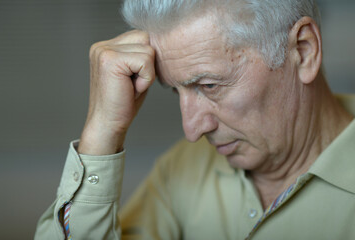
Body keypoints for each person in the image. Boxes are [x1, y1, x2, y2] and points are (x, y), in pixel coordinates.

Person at [35, 0, 355, 239]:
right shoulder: (181, 170)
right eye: (176, 92)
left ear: (304, 49)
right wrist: (102, 130)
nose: (191, 130)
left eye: (209, 85)